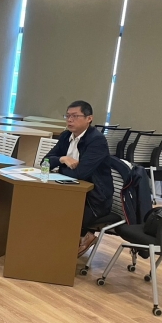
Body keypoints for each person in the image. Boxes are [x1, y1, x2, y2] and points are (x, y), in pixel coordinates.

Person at [43, 100, 113, 257]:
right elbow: (45, 162)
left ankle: (78, 240)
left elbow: (81, 174)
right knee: (42, 204)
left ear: (89, 118)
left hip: (93, 200)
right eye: (67, 116)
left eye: (75, 116)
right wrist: (63, 159)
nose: (69, 120)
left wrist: (59, 167)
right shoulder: (66, 136)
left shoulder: (97, 140)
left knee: (56, 213)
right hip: (68, 191)